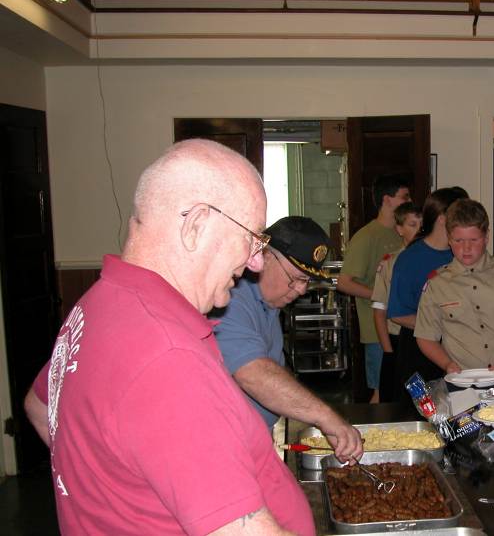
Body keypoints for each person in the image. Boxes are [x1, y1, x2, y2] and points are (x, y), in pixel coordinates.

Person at [23, 140, 314, 535]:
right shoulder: (166, 356)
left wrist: (116, 495)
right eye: (252, 237)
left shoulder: (96, 304)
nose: (256, 261)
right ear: (196, 225)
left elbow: (40, 406)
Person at [212, 216, 363, 461]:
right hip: (225, 448)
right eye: (296, 278)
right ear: (265, 256)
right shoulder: (231, 300)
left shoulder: (269, 301)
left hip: (255, 439)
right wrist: (325, 416)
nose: (301, 290)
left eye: (307, 281)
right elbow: (253, 372)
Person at [414, 199, 494, 374]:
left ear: (486, 237)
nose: (466, 248)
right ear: (449, 239)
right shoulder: (437, 284)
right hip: (465, 381)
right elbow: (425, 336)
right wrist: (447, 364)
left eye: (474, 240)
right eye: (458, 240)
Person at [387, 187, 468, 399]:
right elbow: (397, 313)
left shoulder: (464, 254)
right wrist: (439, 326)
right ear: (443, 218)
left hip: (459, 349)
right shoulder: (410, 259)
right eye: (462, 214)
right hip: (419, 352)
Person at [337, 174, 411, 403]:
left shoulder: (403, 233)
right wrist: (383, 296)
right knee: (381, 391)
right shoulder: (367, 236)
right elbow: (344, 282)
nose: (409, 200)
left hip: (401, 327)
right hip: (377, 330)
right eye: (404, 196)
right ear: (387, 200)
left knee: (399, 390)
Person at [371, 202, 422, 402]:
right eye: (412, 224)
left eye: (422, 224)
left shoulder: (435, 259)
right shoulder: (390, 263)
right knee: (395, 400)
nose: (418, 230)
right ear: (399, 229)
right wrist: (389, 352)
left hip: (430, 339)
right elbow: (379, 311)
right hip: (398, 339)